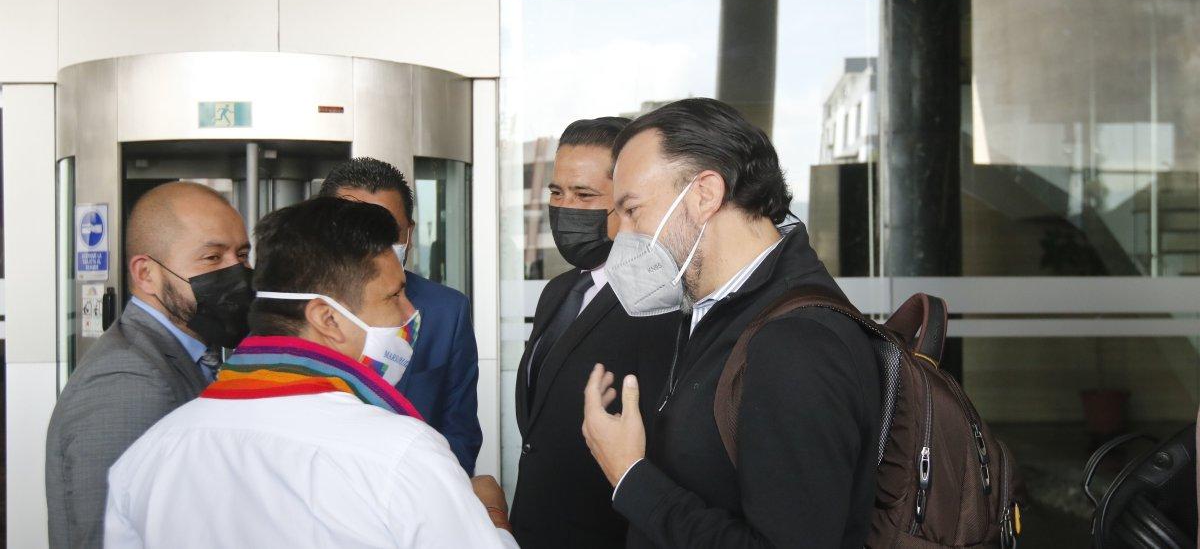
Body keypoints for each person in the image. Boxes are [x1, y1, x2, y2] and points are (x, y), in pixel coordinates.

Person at [105, 197, 517, 548]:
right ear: (328, 318)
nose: (411, 314)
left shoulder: (150, 455)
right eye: (394, 295)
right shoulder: (399, 454)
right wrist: (491, 512)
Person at [581, 98, 882, 548]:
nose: (620, 234)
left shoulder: (797, 344)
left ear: (704, 193)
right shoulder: (716, 309)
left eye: (632, 210)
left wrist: (629, 475)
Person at [46, 182, 253, 548]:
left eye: (242, 255)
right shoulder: (129, 380)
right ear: (146, 274)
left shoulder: (192, 355)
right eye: (212, 258)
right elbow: (107, 534)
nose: (237, 273)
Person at [511, 117, 676, 549]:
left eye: (584, 194)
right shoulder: (558, 291)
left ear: (626, 200)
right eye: (557, 192)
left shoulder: (657, 303)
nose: (565, 207)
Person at [319, 157, 483, 473]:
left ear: (409, 233)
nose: (372, 246)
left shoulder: (445, 312)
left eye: (387, 232)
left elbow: (459, 434)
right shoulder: (290, 311)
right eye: (353, 230)